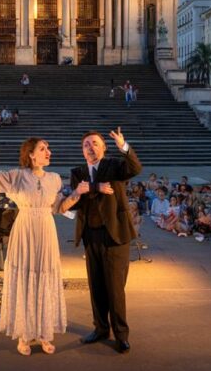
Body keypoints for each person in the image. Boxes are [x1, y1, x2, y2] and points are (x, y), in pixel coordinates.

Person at [0, 137, 66, 356]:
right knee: (25, 277)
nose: (48, 152)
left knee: (45, 276)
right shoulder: (17, 176)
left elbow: (59, 206)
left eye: (48, 148)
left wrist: (79, 194)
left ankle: (44, 333)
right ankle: (25, 334)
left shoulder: (55, 179)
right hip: (25, 230)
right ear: (31, 154)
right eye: (43, 149)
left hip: (46, 230)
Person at [59, 128, 142, 354]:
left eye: (95, 143)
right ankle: (101, 329)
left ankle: (121, 335)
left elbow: (135, 168)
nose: (90, 148)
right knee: (96, 286)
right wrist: (87, 190)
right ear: (82, 150)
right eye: (86, 144)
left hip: (115, 234)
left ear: (103, 147)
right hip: (90, 234)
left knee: (115, 288)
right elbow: (79, 201)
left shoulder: (114, 166)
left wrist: (124, 146)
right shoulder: (78, 173)